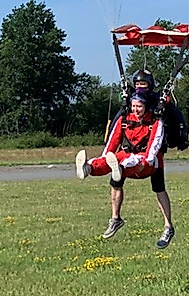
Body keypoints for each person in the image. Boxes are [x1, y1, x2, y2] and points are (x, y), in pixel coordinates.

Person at [75, 91, 175, 249]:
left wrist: (146, 160)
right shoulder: (124, 120)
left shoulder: (155, 121)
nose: (136, 110)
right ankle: (89, 168)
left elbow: (154, 144)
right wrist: (105, 157)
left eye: (139, 106)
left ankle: (118, 168)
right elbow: (112, 141)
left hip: (146, 162)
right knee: (112, 160)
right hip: (125, 157)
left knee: (128, 162)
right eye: (134, 106)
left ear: (146, 106)